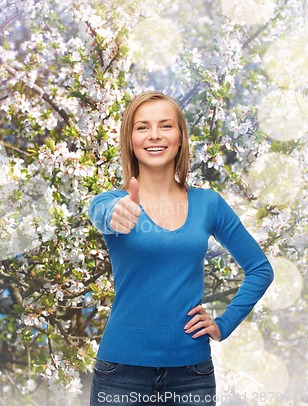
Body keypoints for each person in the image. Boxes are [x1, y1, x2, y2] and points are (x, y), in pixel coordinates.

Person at [87, 91, 274, 405]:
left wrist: (223, 324)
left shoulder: (209, 204)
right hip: (120, 373)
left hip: (192, 376)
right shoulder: (111, 202)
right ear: (130, 139)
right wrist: (116, 214)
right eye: (142, 127)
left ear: (180, 138)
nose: (155, 135)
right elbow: (101, 214)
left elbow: (260, 270)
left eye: (165, 126)